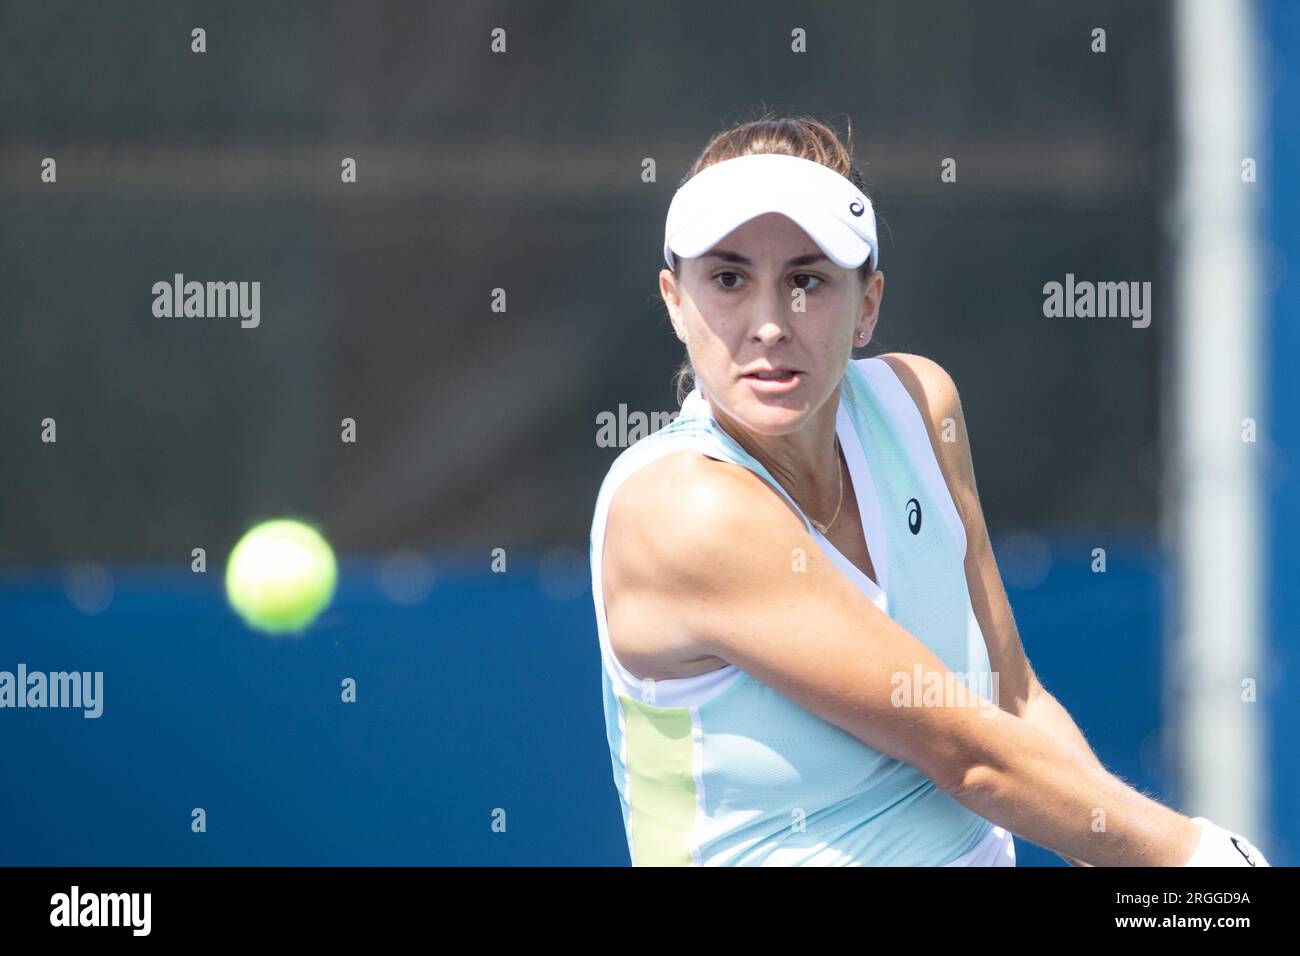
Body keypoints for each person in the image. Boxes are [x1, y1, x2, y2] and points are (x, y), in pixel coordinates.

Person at [588, 114, 1269, 867]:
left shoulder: (918, 404)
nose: (771, 323)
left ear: (867, 303)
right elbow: (967, 754)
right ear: (674, 300)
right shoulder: (684, 509)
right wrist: (1196, 862)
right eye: (728, 279)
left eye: (807, 280)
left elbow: (1014, 702)